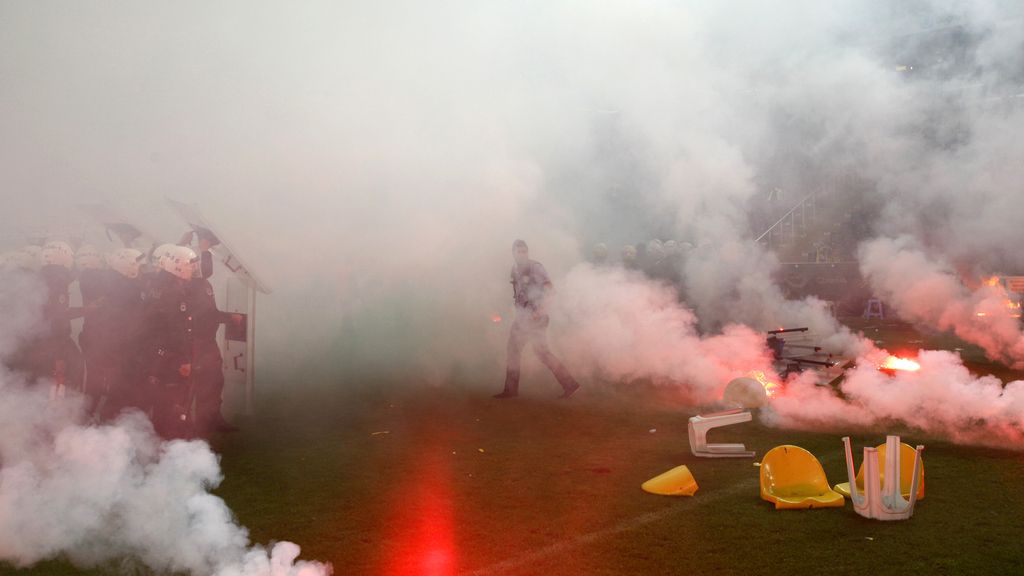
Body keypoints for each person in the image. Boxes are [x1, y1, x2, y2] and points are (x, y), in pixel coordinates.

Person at [494, 239, 580, 399]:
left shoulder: (536, 267)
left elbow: (550, 290)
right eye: (519, 251)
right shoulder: (514, 269)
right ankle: (569, 384)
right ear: (513, 253)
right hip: (522, 318)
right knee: (530, 352)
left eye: (524, 251)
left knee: (535, 352)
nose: (522, 254)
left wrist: (540, 311)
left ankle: (511, 390)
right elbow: (519, 294)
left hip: (535, 318)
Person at [142, 245, 198, 438]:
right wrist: (184, 360)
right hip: (171, 356)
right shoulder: (174, 291)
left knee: (160, 401)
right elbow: (177, 328)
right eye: (189, 265)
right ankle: (172, 440)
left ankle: (158, 437)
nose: (192, 269)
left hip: (155, 353)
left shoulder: (155, 285)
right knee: (175, 401)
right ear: (177, 267)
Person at [189, 267, 242, 435]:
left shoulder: (204, 284)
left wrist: (227, 317)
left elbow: (210, 312)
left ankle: (213, 418)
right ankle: (195, 424)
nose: (196, 267)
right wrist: (228, 318)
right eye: (192, 263)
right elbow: (203, 316)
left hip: (208, 342)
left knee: (215, 381)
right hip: (194, 343)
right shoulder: (186, 288)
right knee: (194, 384)